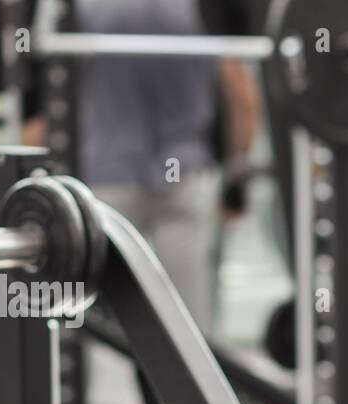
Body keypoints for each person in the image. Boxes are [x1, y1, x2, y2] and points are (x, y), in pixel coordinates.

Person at [23, 0, 260, 332]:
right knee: (187, 326)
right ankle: (183, 384)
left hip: (108, 183)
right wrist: (237, 181)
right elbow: (241, 96)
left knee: (102, 322)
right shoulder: (199, 8)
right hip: (183, 178)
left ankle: (107, 380)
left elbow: (47, 108)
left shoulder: (84, 9)